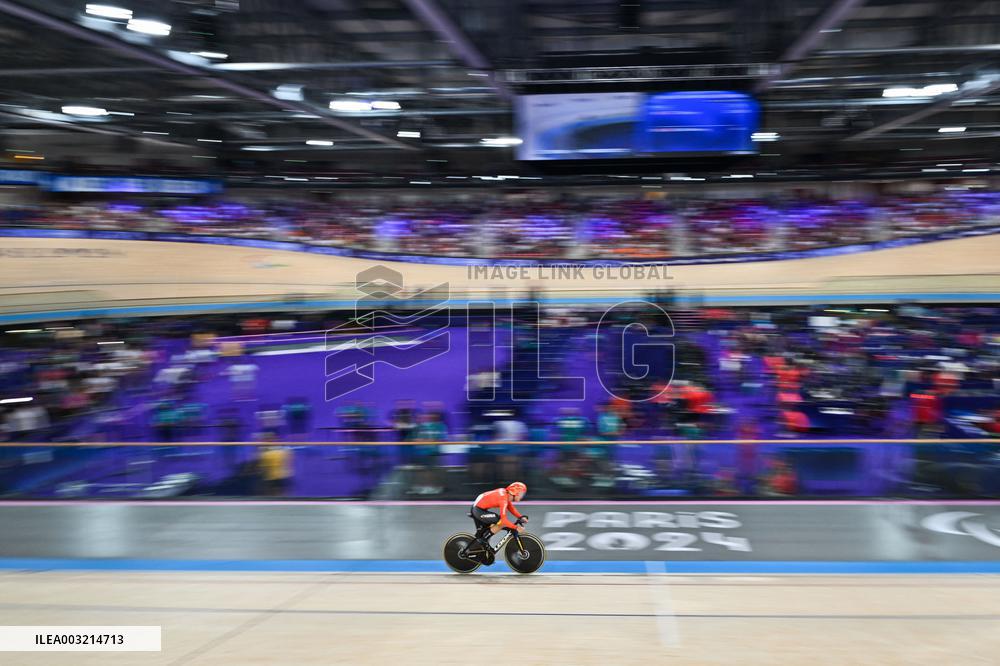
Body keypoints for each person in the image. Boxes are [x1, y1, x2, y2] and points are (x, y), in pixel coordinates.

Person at [468, 481, 528, 551]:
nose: (522, 496)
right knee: (500, 521)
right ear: (515, 492)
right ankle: (483, 540)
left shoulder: (506, 495)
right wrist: (516, 527)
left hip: (479, 508)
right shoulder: (503, 498)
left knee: (493, 524)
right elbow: (503, 520)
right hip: (478, 510)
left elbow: (511, 508)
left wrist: (520, 517)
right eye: (521, 494)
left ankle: (483, 541)